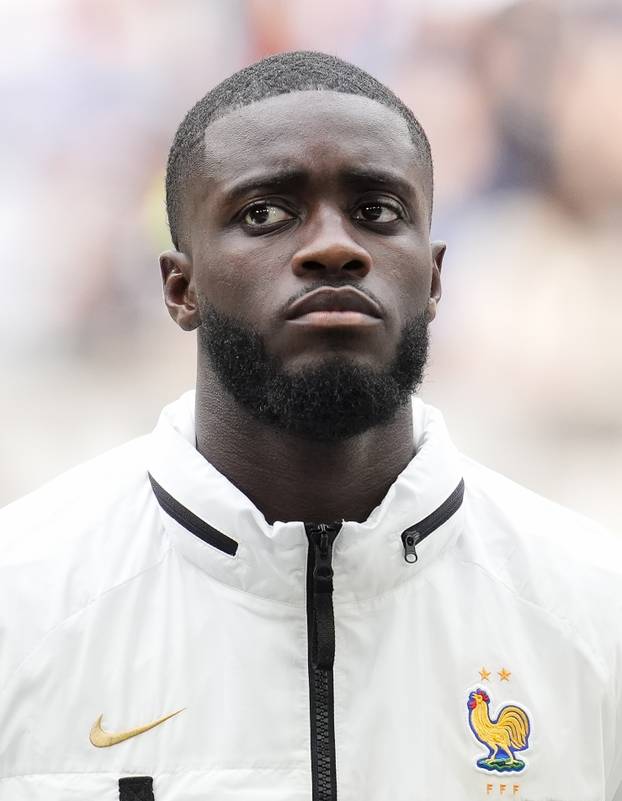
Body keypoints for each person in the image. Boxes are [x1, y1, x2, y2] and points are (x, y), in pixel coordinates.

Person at [1, 51, 620, 801]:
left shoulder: (594, 606)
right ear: (180, 286)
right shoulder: (23, 599)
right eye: (264, 213)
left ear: (433, 278)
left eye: (377, 212)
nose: (334, 247)